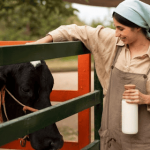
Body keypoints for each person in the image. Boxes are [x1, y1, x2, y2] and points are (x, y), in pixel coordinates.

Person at [27, 0, 150, 149]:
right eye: (115, 27)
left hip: (143, 142)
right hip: (112, 139)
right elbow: (75, 30)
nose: (116, 33)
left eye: (121, 28)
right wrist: (41, 42)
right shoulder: (113, 42)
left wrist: (145, 99)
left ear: (138, 26)